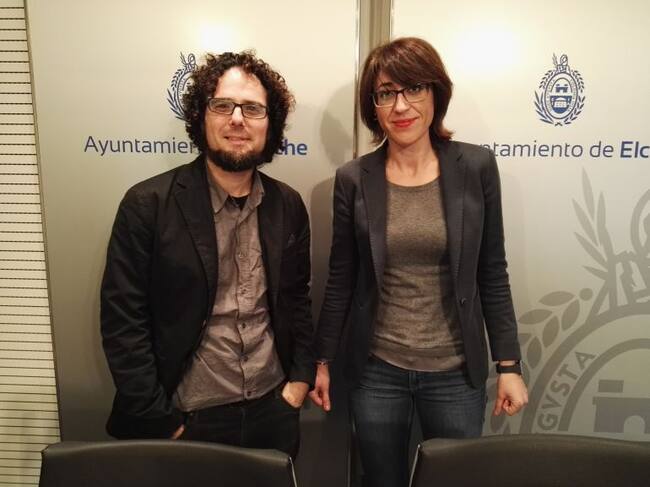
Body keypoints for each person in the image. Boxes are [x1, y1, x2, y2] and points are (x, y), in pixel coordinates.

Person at [309, 37, 528, 486]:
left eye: (414, 88)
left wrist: (508, 366)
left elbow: (492, 271)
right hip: (376, 370)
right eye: (386, 93)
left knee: (454, 480)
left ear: (436, 93)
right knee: (381, 480)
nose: (400, 106)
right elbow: (341, 278)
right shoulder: (354, 179)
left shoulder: (476, 166)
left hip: (455, 371)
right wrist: (322, 359)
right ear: (373, 106)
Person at [101, 51, 314, 459]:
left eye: (252, 108)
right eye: (222, 105)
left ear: (270, 124)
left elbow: (297, 301)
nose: (237, 119)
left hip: (274, 410)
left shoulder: (287, 205)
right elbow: (123, 322)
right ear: (201, 116)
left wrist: (299, 382)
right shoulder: (147, 204)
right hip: (186, 419)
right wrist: (161, 420)